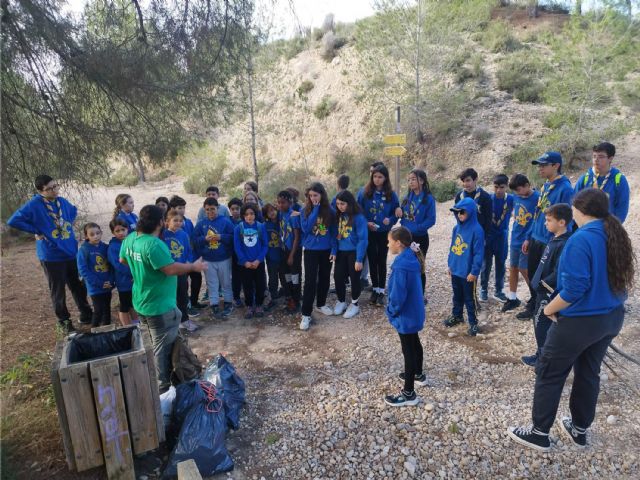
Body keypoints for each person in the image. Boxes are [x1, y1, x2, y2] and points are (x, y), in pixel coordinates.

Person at [508, 188, 634, 452]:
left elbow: (575, 288)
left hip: (580, 321)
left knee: (549, 371)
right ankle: (579, 430)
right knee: (588, 373)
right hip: (610, 318)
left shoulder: (580, 239)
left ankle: (539, 433)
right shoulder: (615, 234)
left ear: (579, 210)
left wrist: (547, 309)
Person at [120, 205, 207, 393]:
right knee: (162, 348)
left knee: (151, 343)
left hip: (141, 302)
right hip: (159, 305)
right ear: (161, 222)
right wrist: (192, 266)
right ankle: (162, 388)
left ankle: (153, 378)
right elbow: (170, 269)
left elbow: (123, 260)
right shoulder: (154, 244)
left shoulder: (130, 239)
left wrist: (141, 269)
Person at [7, 175, 92, 331]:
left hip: (70, 251)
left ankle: (86, 314)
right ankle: (65, 323)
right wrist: (36, 230)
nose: (55, 190)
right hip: (51, 255)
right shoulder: (34, 204)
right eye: (50, 188)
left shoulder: (61, 201)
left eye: (56, 186)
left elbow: (72, 211)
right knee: (58, 290)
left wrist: (66, 225)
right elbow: (13, 220)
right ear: (40, 191)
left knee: (78, 286)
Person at [518, 152, 573, 320]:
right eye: (539, 165)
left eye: (543, 165)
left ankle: (545, 306)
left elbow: (567, 219)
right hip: (536, 237)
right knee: (533, 273)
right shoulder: (545, 186)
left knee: (546, 277)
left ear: (555, 166)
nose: (540, 168)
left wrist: (557, 241)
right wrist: (529, 235)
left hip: (549, 241)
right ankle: (534, 303)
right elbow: (538, 214)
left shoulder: (565, 189)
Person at [521, 203, 572, 367]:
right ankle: (541, 354)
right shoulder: (554, 239)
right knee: (539, 324)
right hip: (540, 290)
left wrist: (543, 284)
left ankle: (544, 360)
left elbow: (559, 272)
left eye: (549, 220)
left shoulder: (565, 243)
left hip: (548, 292)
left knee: (541, 324)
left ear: (562, 222)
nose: (545, 223)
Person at [383, 226, 428, 407]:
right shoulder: (411, 257)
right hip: (415, 312)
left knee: (407, 350)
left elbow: (398, 295)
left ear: (399, 243)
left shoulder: (401, 265)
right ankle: (418, 373)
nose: (388, 244)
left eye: (389, 241)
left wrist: (391, 311)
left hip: (406, 314)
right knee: (415, 342)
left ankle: (409, 392)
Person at [358, 164, 400, 306]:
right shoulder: (364, 192)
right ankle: (375, 289)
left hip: (383, 233)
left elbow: (396, 212)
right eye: (375, 176)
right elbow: (359, 212)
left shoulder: (391, 194)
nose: (377, 179)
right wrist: (366, 223)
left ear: (385, 178)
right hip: (369, 232)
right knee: (372, 259)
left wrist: (391, 220)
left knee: (381, 260)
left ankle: (382, 290)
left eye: (380, 177)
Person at [443, 197, 485, 336]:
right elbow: (453, 247)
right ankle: (457, 315)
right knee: (457, 295)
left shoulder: (477, 230)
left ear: (471, 212)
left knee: (470, 299)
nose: (460, 215)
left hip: (468, 273)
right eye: (457, 212)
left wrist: (474, 272)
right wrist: (450, 264)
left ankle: (473, 323)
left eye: (463, 212)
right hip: (456, 270)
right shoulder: (456, 228)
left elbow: (479, 254)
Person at [299, 182, 337, 331]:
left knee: (325, 277)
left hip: (326, 249)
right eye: (311, 196)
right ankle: (306, 314)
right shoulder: (305, 210)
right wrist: (315, 209)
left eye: (316, 195)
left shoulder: (330, 211)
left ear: (322, 195)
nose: (314, 198)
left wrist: (334, 250)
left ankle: (321, 304)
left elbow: (333, 232)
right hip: (310, 250)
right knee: (309, 281)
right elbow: (307, 228)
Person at [395, 169, 436, 295]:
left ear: (422, 181)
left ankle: (420, 295)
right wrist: (398, 210)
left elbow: (431, 220)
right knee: (406, 264)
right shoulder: (408, 197)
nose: (410, 182)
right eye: (409, 180)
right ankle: (408, 292)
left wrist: (417, 228)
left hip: (420, 238)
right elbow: (402, 211)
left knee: (419, 267)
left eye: (413, 179)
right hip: (406, 237)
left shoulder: (428, 199)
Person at [503, 174, 540, 312]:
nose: (518, 193)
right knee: (513, 267)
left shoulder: (537, 198)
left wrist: (528, 238)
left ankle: (536, 296)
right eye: (515, 191)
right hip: (515, 237)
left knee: (524, 268)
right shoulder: (516, 197)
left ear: (527, 185)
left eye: (519, 190)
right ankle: (512, 298)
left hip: (528, 239)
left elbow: (538, 220)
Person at [193, 198, 235, 318]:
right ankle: (214, 304)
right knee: (212, 283)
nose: (210, 212)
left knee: (226, 281)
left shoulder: (225, 222)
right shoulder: (201, 224)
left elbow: (233, 237)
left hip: (224, 258)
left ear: (218, 208)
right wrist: (204, 239)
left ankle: (228, 302)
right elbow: (194, 240)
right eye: (207, 210)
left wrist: (221, 237)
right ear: (204, 210)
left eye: (213, 209)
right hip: (208, 259)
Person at [333, 190, 368, 319]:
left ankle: (354, 304)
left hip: (354, 252)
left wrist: (359, 259)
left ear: (349, 203)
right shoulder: (339, 216)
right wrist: (334, 251)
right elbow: (334, 235)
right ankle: (341, 301)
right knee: (337, 276)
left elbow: (363, 239)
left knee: (354, 278)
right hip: (342, 251)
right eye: (337, 204)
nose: (340, 206)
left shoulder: (359, 217)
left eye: (342, 204)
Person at [574, 142, 629, 223]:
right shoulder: (585, 178)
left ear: (610, 158)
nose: (596, 160)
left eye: (601, 156)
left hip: (608, 228)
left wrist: (614, 228)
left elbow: (622, 208)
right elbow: (574, 203)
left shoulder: (619, 180)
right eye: (594, 156)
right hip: (586, 227)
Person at [480, 174, 514, 303]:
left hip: (502, 237)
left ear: (506, 187)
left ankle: (499, 290)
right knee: (485, 264)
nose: (498, 190)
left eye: (501, 187)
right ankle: (483, 289)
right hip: (488, 237)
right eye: (496, 187)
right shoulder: (488, 198)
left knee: (501, 264)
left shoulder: (511, 199)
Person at [163, 210, 199, 332]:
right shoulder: (163, 235)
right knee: (170, 298)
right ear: (167, 222)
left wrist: (189, 262)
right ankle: (172, 323)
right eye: (175, 220)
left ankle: (184, 320)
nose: (178, 223)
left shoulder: (183, 234)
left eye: (180, 220)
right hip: (168, 273)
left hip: (182, 271)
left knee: (182, 296)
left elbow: (189, 250)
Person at [168, 195, 203, 314]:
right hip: (176, 262)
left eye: (183, 207)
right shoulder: (167, 229)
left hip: (190, 257)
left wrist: (192, 258)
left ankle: (193, 302)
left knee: (196, 279)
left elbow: (191, 240)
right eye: (179, 207)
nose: (182, 210)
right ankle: (184, 307)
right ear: (172, 208)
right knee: (181, 285)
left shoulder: (187, 222)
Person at [233, 203, 268, 319]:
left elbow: (265, 245)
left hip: (258, 263)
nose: (249, 216)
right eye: (246, 214)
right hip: (245, 265)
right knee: (247, 285)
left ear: (255, 214)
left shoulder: (260, 227)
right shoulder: (239, 228)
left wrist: (258, 260)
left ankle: (259, 305)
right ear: (243, 215)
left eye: (252, 214)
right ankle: (249, 306)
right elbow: (237, 247)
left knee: (260, 285)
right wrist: (244, 261)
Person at [77, 223, 114, 327]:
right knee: (98, 311)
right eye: (92, 234)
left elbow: (112, 265)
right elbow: (83, 270)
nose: (96, 236)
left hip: (107, 285)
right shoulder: (84, 250)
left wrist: (111, 281)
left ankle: (107, 333)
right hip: (95, 287)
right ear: (86, 236)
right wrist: (99, 283)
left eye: (98, 233)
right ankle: (94, 334)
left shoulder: (106, 247)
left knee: (107, 309)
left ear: (101, 233)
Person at [107, 218, 137, 326]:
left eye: (123, 229)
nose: (121, 233)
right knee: (124, 305)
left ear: (127, 229)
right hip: (124, 281)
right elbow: (119, 265)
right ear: (113, 233)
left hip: (135, 280)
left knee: (133, 303)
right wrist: (135, 273)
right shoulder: (113, 247)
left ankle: (135, 323)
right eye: (117, 231)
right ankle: (127, 327)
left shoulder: (131, 241)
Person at [277, 190, 302, 313]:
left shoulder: (294, 216)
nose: (281, 205)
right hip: (284, 250)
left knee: (295, 276)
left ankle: (297, 301)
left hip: (294, 252)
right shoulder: (281, 214)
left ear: (290, 202)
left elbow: (297, 237)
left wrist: (292, 255)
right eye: (279, 202)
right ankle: (290, 298)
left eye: (283, 202)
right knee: (286, 276)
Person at [453, 168, 492, 236]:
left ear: (476, 179)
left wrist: (485, 237)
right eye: (463, 181)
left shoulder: (485, 196)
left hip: (479, 233)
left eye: (468, 180)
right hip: (464, 232)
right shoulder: (459, 196)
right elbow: (457, 214)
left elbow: (488, 219)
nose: (465, 184)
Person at [263, 203, 282, 310]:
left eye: (273, 210)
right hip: (271, 256)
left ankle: (287, 294)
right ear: (266, 215)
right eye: (269, 211)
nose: (272, 212)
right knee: (273, 277)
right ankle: (273, 297)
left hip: (283, 255)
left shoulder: (282, 221)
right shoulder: (265, 226)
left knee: (284, 276)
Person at [228, 198, 244, 307]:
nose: (235, 211)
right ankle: (236, 296)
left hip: (246, 253)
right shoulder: (227, 221)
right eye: (232, 209)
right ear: (229, 210)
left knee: (247, 274)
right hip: (233, 253)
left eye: (237, 209)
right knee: (236, 275)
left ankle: (250, 294)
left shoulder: (245, 220)